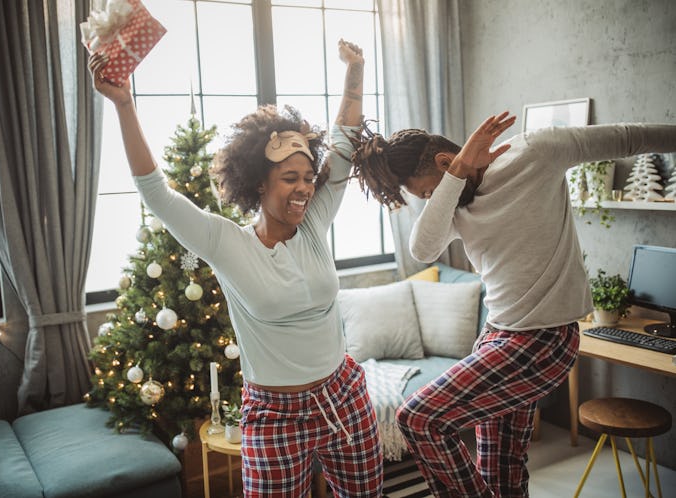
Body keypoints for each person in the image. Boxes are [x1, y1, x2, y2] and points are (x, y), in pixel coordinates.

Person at [89, 39, 383, 497]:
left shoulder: (315, 222)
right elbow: (157, 195)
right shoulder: (226, 243)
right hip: (274, 414)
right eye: (291, 178)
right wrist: (125, 103)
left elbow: (344, 143)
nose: (305, 188)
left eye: (308, 177)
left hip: (342, 396)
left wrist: (355, 70)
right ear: (258, 184)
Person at [351, 114, 676, 497]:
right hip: (496, 339)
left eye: (427, 193)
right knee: (501, 470)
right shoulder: (454, 202)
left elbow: (627, 137)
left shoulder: (535, 153)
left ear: (442, 162)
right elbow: (422, 249)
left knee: (419, 417)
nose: (432, 202)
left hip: (544, 341)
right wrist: (452, 179)